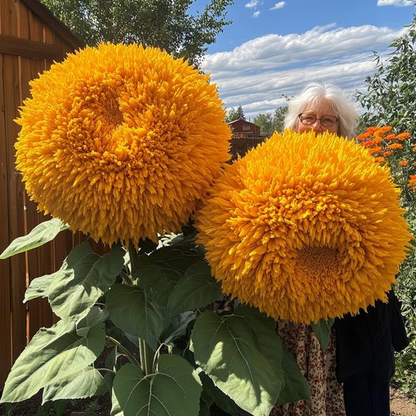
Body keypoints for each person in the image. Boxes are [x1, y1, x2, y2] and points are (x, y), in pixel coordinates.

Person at [271, 83, 409, 416]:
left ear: (341, 128)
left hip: (343, 311)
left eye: (328, 120)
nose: (316, 126)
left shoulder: (361, 171)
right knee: (284, 387)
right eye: (309, 118)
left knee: (347, 391)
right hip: (285, 304)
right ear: (295, 123)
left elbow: (382, 232)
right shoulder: (272, 167)